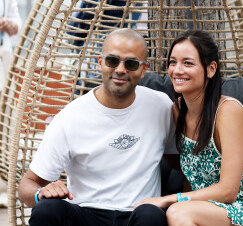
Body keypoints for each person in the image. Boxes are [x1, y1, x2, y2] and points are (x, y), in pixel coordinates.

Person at [135, 29, 243, 226]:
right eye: (172, 62)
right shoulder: (177, 111)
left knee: (178, 213)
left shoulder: (228, 111)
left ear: (211, 69)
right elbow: (192, 174)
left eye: (188, 63)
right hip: (211, 209)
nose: (177, 70)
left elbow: (228, 191)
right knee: (176, 213)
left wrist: (169, 199)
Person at [18, 28, 176, 226]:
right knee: (47, 209)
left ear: (144, 69)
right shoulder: (70, 117)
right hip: (85, 213)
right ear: (100, 62)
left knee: (151, 215)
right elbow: (26, 185)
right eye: (112, 60)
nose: (120, 69)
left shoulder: (161, 106)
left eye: (131, 64)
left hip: (138, 214)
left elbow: (180, 161)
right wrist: (40, 193)